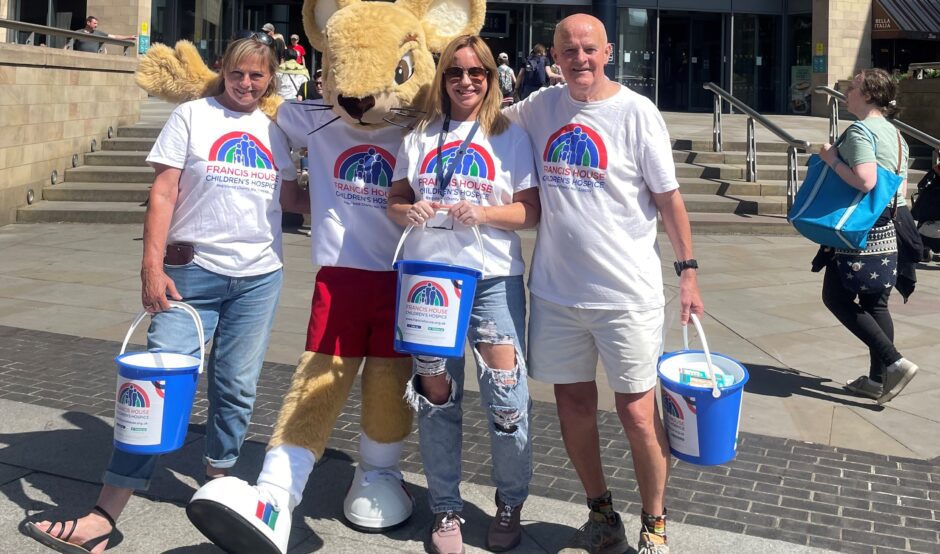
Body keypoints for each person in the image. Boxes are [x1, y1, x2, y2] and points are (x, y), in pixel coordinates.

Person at [23, 36, 300, 554]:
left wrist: (366, 191)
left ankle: (220, 488)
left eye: (257, 76)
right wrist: (151, 266)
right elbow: (164, 191)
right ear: (223, 70)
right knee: (156, 385)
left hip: (260, 276)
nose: (246, 83)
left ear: (270, 79)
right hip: (190, 273)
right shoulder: (194, 116)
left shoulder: (275, 127)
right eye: (238, 73)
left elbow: (289, 196)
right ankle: (106, 513)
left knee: (237, 390)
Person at [503, 14, 704, 554]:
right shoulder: (539, 106)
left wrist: (688, 273)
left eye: (589, 49)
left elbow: (669, 200)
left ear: (608, 52)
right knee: (572, 404)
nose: (580, 59)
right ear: (554, 55)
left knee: (638, 412)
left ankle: (655, 523)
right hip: (556, 293)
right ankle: (601, 511)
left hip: (626, 295)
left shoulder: (637, 113)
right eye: (569, 50)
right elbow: (480, 119)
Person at [388, 34, 539, 554]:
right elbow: (396, 197)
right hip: (430, 280)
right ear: (442, 78)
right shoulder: (421, 134)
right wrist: (406, 212)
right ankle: (446, 509)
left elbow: (529, 211)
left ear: (491, 79)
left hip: (491, 281)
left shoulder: (509, 135)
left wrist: (486, 213)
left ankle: (511, 500)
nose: (466, 80)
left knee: (507, 396)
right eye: (455, 71)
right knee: (436, 398)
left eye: (477, 72)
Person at [817, 68, 919, 404]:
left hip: (859, 232)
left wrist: (831, 159)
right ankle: (878, 381)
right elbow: (899, 189)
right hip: (890, 229)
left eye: (854, 87)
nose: (847, 92)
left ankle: (895, 362)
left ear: (870, 94)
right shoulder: (896, 135)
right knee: (876, 304)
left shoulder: (861, 131)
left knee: (835, 297)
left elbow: (866, 181)